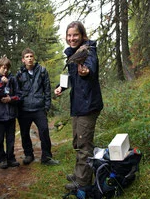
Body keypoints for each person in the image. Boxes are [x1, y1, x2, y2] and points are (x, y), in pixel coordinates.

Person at [54, 21, 103, 190]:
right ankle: (79, 173)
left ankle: (82, 183)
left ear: (82, 35)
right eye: (69, 35)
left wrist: (86, 71)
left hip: (88, 105)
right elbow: (70, 76)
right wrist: (60, 87)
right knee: (78, 142)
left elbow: (91, 67)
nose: (71, 38)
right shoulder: (72, 53)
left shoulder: (88, 50)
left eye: (75, 35)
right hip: (78, 105)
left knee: (84, 145)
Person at [16, 48, 59, 166]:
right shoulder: (19, 74)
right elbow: (17, 91)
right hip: (24, 109)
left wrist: (46, 107)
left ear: (33, 58)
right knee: (24, 133)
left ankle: (46, 157)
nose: (29, 58)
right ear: (23, 60)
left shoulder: (42, 71)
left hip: (39, 108)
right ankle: (28, 154)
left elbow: (47, 90)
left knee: (44, 131)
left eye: (31, 56)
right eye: (27, 57)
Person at [0, 57, 20, 169]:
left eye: (7, 68)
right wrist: (1, 83)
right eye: (3, 68)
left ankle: (11, 158)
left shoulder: (13, 79)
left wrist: (11, 99)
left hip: (10, 115)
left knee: (11, 139)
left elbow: (19, 96)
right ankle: (1, 159)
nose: (5, 70)